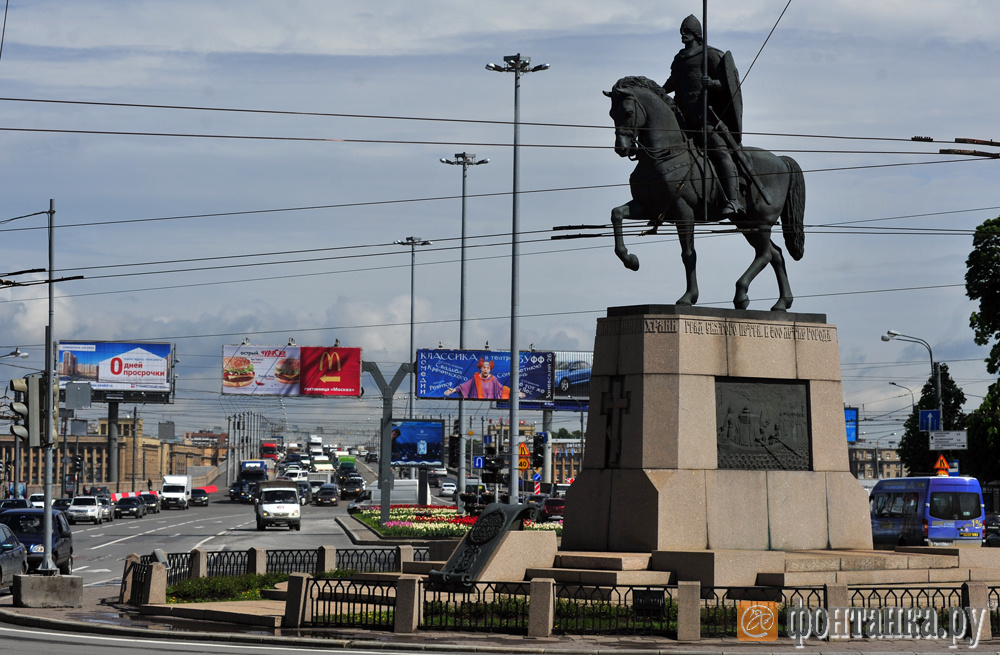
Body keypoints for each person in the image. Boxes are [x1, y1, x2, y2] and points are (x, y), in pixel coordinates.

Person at [662, 14, 744, 217]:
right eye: (682, 31)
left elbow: (727, 84)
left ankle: (734, 201)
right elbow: (673, 82)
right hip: (681, 118)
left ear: (697, 33)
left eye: (687, 31)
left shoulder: (709, 54)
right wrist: (658, 93)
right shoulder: (679, 59)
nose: (683, 35)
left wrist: (713, 84)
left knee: (720, 151)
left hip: (704, 117)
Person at [443, 358, 524, 400]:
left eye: (487, 368)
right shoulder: (475, 378)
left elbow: (503, 390)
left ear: (490, 369)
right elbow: (463, 386)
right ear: (481, 368)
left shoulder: (494, 380)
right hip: (475, 404)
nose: (485, 369)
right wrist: (453, 390)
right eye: (484, 368)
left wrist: (515, 392)